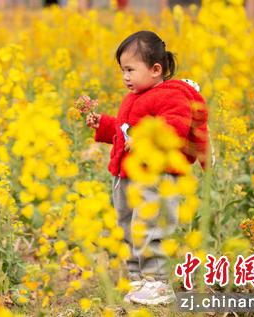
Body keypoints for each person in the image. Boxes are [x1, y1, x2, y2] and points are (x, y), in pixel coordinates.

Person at [86, 30, 209, 305]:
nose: (125, 77)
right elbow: (125, 131)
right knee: (128, 227)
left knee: (150, 225)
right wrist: (104, 125)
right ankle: (139, 277)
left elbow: (174, 128)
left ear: (156, 70)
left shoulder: (172, 95)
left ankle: (158, 282)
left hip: (156, 176)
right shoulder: (134, 97)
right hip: (127, 176)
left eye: (130, 69)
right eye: (122, 70)